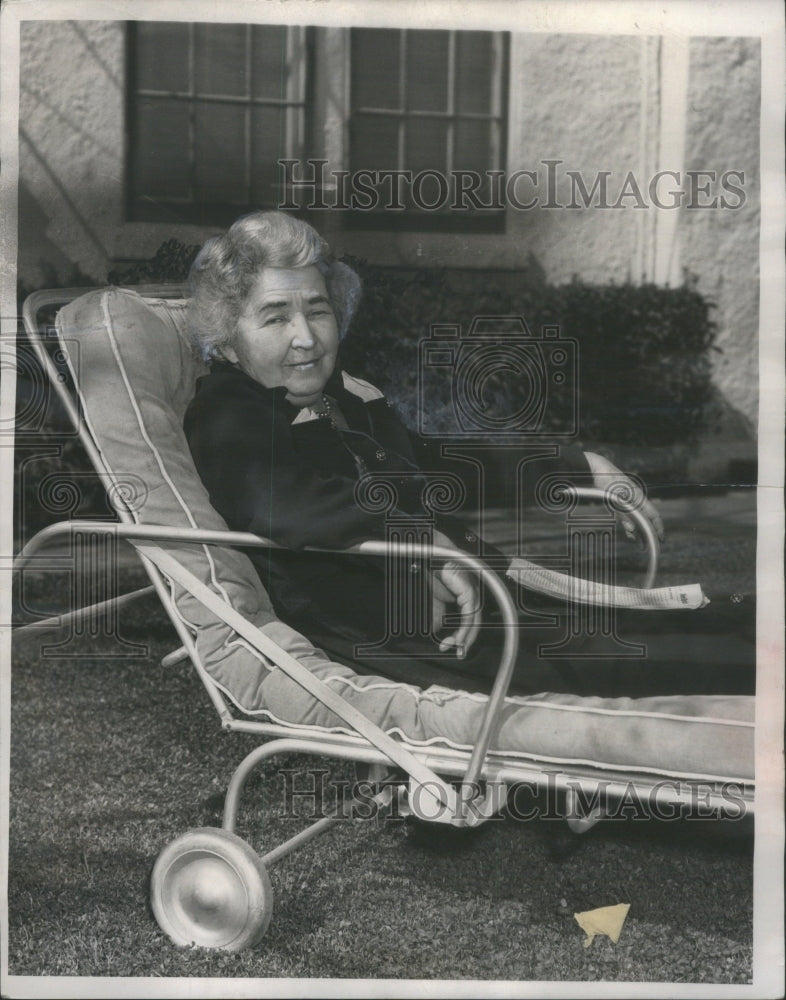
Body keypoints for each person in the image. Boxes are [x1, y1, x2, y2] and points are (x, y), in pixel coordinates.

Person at [184, 210, 753, 698]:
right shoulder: (228, 411)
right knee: (700, 652)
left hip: (480, 602)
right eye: (276, 317)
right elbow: (279, 498)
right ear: (229, 335)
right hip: (408, 638)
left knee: (713, 622)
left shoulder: (341, 399)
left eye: (317, 309)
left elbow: (438, 463)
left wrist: (578, 467)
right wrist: (424, 544)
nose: (306, 337)